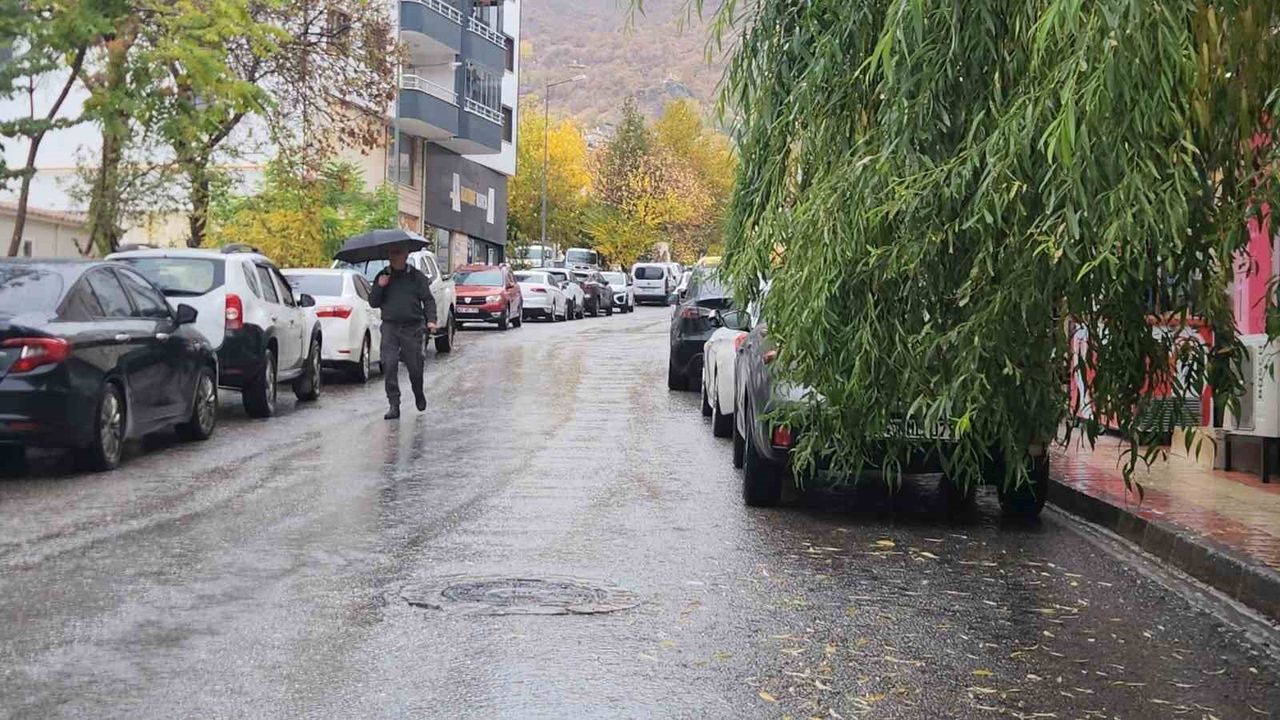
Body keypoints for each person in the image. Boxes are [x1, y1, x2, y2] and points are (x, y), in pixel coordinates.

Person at [369, 245, 437, 419]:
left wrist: (431, 320)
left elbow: (428, 300)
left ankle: (418, 392)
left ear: (405, 255)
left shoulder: (416, 277)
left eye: (397, 252)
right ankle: (394, 404)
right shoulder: (383, 276)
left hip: (412, 327)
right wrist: (379, 286)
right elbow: (373, 302)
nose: (393, 256)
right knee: (389, 364)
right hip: (390, 326)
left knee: (415, 367)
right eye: (391, 253)